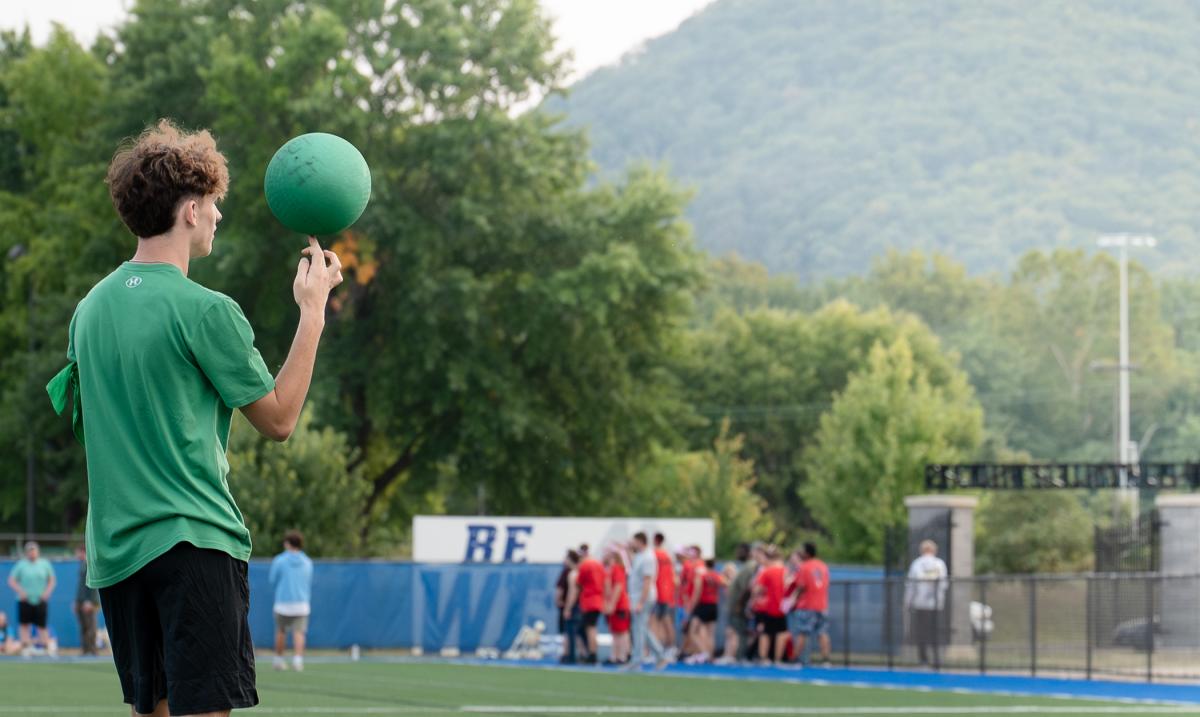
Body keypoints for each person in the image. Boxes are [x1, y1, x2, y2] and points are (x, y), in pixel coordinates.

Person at [49, 120, 342, 717]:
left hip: (116, 552)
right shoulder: (207, 310)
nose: (216, 218)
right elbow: (280, 419)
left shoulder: (88, 311)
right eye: (212, 205)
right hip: (195, 543)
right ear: (188, 209)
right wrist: (312, 311)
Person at [269, 530, 314, 672]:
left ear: (287, 544)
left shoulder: (279, 560)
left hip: (282, 603)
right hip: (301, 603)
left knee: (281, 631)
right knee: (299, 632)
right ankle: (297, 661)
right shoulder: (307, 562)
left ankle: (278, 660)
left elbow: (272, 580)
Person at [626, 532, 668, 670]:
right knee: (641, 628)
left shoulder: (648, 558)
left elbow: (647, 581)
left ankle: (637, 659)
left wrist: (641, 602)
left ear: (640, 541)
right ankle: (660, 655)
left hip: (643, 597)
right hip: (636, 596)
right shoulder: (640, 556)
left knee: (639, 629)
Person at [905, 539, 949, 668]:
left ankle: (923, 660)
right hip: (936, 604)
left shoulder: (917, 564)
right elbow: (944, 584)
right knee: (935, 631)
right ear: (934, 550)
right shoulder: (940, 564)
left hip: (920, 603)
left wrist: (908, 602)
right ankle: (937, 659)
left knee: (922, 632)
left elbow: (910, 585)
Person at [786, 542, 831, 666]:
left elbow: (801, 586)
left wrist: (794, 598)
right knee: (822, 632)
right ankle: (826, 660)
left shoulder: (805, 567)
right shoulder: (823, 566)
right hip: (822, 605)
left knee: (802, 632)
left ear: (806, 553)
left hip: (807, 605)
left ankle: (795, 659)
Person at [7, 541, 56, 653]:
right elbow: (11, 580)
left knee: (42, 625)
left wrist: (47, 593)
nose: (32, 553)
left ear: (37, 552)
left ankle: (45, 648)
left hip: (40, 599)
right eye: (30, 551)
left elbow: (52, 580)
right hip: (25, 600)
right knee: (24, 624)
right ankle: (26, 648)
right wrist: (21, 592)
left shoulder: (44, 564)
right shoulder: (21, 564)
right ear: (26, 552)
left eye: (34, 550)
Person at [751, 545, 788, 663]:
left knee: (765, 633)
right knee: (781, 633)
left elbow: (757, 589)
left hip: (768, 607)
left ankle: (763, 657)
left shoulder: (766, 571)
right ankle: (777, 659)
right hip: (782, 606)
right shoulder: (785, 571)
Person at [718, 543, 753, 664]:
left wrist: (740, 604)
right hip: (734, 606)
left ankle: (737, 656)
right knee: (731, 631)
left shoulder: (748, 567)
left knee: (737, 632)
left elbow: (746, 589)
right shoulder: (744, 568)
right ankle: (730, 655)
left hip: (739, 607)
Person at [691, 558, 725, 663]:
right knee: (710, 633)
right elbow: (725, 584)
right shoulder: (717, 576)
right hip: (713, 605)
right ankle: (710, 656)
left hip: (703, 604)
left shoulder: (702, 576)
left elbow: (697, 591)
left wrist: (692, 605)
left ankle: (704, 652)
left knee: (693, 631)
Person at [576, 549, 606, 664]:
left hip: (589, 601)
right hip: (598, 600)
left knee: (590, 628)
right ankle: (592, 652)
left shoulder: (585, 566)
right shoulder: (599, 565)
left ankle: (592, 653)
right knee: (591, 628)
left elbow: (579, 582)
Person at [602, 545, 631, 664]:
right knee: (615, 632)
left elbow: (618, 587)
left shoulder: (617, 568)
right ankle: (615, 655)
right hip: (616, 604)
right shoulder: (611, 569)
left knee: (622, 632)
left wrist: (612, 604)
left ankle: (623, 656)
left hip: (620, 605)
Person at [73, 544, 101, 656]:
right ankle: (85, 650)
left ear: (83, 552)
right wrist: (77, 601)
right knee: (84, 627)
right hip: (81, 601)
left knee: (91, 627)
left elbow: (93, 585)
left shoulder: (90, 564)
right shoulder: (82, 565)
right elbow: (81, 586)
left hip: (89, 602)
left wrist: (90, 601)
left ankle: (93, 650)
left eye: (78, 552)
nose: (76, 555)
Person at [651, 533, 676, 649]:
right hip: (667, 593)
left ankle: (656, 650)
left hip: (657, 592)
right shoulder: (668, 556)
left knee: (654, 622)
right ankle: (671, 648)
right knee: (666, 621)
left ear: (655, 540)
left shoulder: (653, 555)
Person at [560, 550, 584, 663]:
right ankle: (579, 655)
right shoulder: (579, 572)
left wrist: (568, 608)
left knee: (571, 632)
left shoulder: (573, 574)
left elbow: (573, 593)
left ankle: (571, 657)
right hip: (580, 605)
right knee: (577, 632)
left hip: (575, 607)